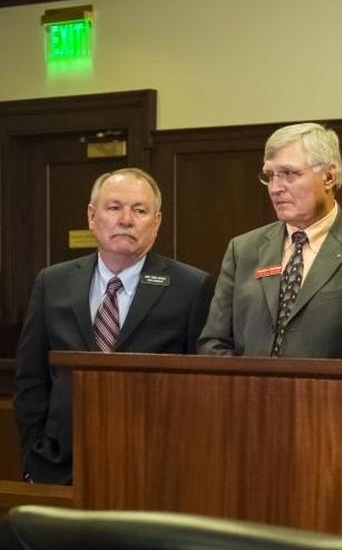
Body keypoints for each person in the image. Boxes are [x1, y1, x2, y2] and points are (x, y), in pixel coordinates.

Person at [14, 168, 213, 484]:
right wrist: (32, 456)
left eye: (140, 210)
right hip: (59, 463)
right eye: (114, 207)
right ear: (92, 216)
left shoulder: (190, 287)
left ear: (157, 221)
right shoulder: (52, 281)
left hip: (152, 467)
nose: (126, 220)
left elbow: (201, 389)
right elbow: (31, 378)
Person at [198, 123, 342, 358]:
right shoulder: (243, 249)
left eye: (288, 174)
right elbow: (214, 342)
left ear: (328, 176)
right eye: (270, 176)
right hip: (247, 393)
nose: (275, 188)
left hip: (331, 394)